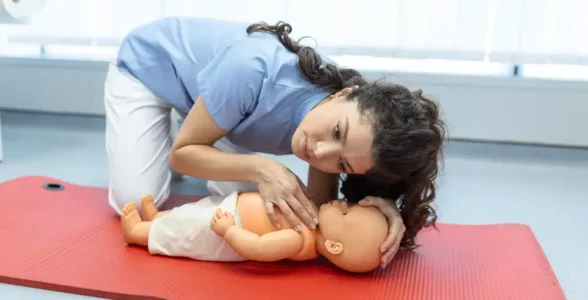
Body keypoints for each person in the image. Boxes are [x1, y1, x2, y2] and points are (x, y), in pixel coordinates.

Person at [104, 17, 445, 268]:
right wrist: (263, 167)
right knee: (133, 199)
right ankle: (195, 120)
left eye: (341, 165)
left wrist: (383, 210)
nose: (320, 152)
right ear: (342, 94)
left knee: (264, 209)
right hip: (148, 68)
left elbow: (319, 212)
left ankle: (205, 119)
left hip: (229, 111)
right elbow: (181, 156)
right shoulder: (253, 70)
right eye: (337, 132)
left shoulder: (350, 126)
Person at [120, 188, 389, 273]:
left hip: (226, 230)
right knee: (189, 213)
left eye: (345, 211)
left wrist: (229, 231)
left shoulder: (297, 239)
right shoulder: (312, 220)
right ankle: (158, 217)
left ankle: (140, 233)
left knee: (184, 232)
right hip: (230, 206)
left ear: (333, 246)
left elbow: (259, 248)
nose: (342, 202)